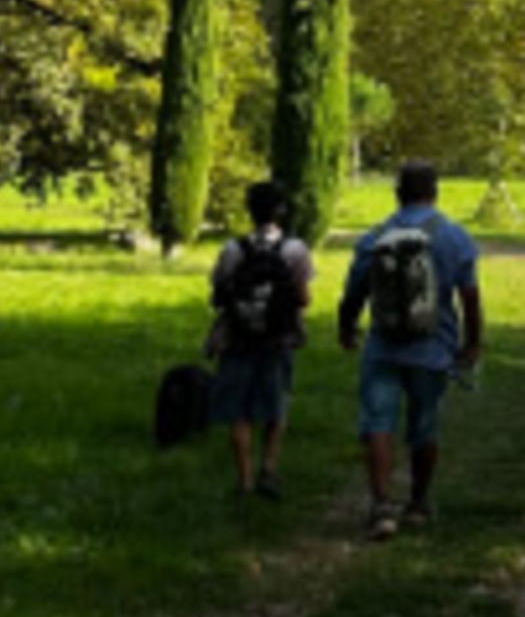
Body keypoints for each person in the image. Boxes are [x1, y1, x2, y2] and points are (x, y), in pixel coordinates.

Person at [337, 158, 483, 538]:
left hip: (383, 346)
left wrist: (347, 329)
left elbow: (354, 292)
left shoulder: (375, 237)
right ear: (435, 192)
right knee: (424, 425)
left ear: (397, 193)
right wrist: (471, 343)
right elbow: (469, 296)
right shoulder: (454, 237)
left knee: (377, 424)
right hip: (432, 347)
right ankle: (418, 503)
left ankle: (383, 507)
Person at [206, 180, 316, 500]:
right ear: (281, 211)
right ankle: (269, 467)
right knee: (276, 404)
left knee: (238, 411)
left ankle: (244, 479)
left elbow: (218, 293)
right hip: (278, 338)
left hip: (238, 337)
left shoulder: (232, 249)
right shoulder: (295, 250)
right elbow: (305, 298)